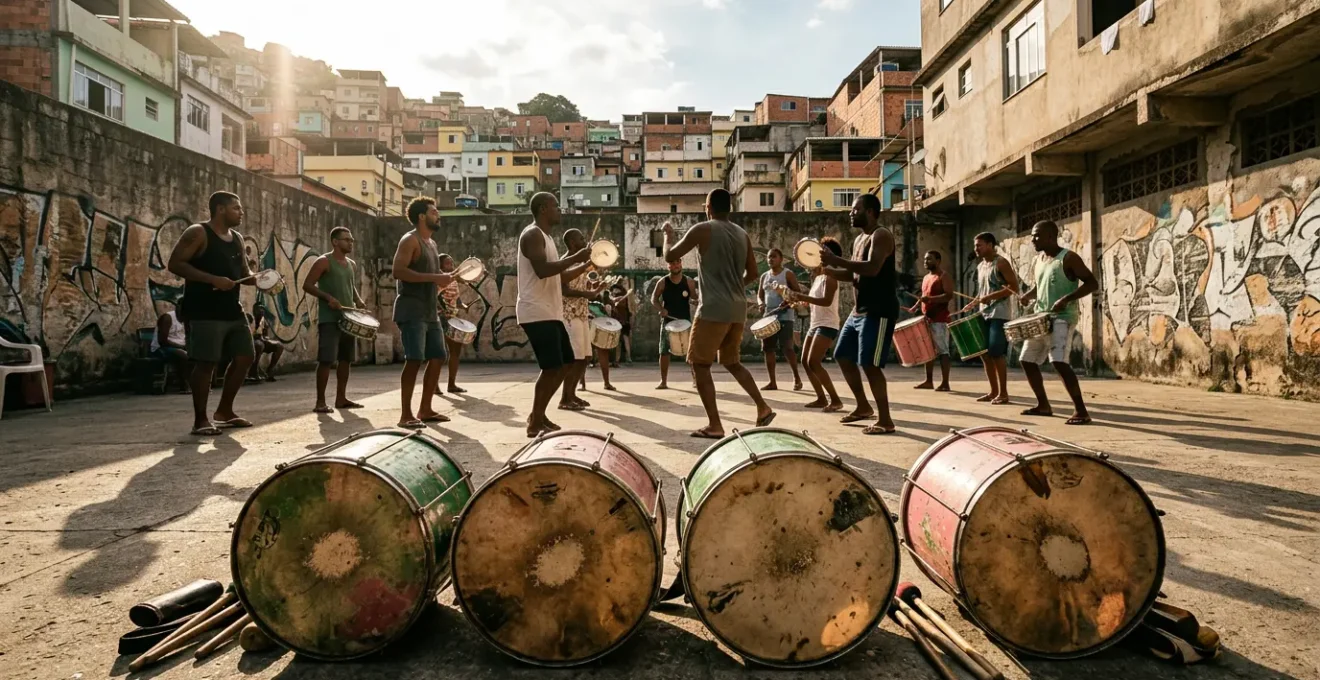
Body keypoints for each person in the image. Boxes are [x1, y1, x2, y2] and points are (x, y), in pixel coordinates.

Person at [663, 188, 775, 439]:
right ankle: (762, 407)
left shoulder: (703, 229)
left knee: (699, 364)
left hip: (713, 307)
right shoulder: (741, 234)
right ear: (730, 208)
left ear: (708, 207)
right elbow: (754, 273)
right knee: (732, 362)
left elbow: (670, 256)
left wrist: (668, 236)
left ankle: (715, 424)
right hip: (737, 308)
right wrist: (734, 287)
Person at [167, 191, 257, 436]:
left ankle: (224, 412)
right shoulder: (198, 233)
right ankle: (200, 420)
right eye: (236, 208)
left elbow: (243, 272)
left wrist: (262, 280)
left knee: (245, 357)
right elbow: (175, 264)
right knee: (206, 364)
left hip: (232, 310)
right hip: (204, 310)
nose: (241, 212)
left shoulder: (236, 237)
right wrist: (212, 279)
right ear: (220, 209)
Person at [819, 193, 898, 435]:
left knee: (869, 364)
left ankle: (885, 420)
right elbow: (855, 275)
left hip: (879, 310)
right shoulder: (859, 240)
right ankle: (863, 407)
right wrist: (828, 270)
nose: (850, 213)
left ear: (871, 211)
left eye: (855, 210)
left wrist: (836, 260)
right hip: (858, 312)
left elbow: (872, 269)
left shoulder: (881, 235)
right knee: (842, 355)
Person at [518, 192, 591, 438]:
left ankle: (538, 415)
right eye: (555, 206)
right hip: (535, 310)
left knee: (566, 363)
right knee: (551, 367)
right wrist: (574, 257)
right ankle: (534, 421)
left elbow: (558, 278)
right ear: (542, 209)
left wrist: (583, 264)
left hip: (550, 311)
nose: (559, 209)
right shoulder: (532, 235)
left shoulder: (547, 238)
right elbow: (541, 271)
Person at [1017, 220, 1098, 425]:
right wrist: (1028, 295)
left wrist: (1067, 299)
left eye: (1037, 235)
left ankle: (1081, 411)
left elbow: (1092, 283)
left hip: (1062, 318)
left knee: (1058, 361)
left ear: (1051, 237)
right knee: (1027, 360)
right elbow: (1040, 285)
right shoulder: (1040, 260)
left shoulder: (1069, 258)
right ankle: (1043, 405)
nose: (1033, 239)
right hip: (1040, 317)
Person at [392, 197, 454, 429]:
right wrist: (435, 278)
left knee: (438, 357)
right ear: (421, 216)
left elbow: (432, 276)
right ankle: (405, 414)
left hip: (430, 312)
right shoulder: (410, 240)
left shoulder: (432, 243)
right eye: (434, 211)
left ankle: (425, 409)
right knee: (414, 359)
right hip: (411, 310)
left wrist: (444, 280)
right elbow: (398, 271)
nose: (438, 215)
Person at [303, 226, 367, 413]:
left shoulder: (351, 264)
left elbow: (350, 286)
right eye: (347, 239)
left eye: (352, 240)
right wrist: (328, 298)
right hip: (329, 319)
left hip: (349, 318)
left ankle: (341, 398)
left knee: (345, 359)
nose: (351, 242)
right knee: (326, 360)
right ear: (335, 242)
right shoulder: (324, 261)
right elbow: (307, 285)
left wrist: (358, 301)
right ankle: (320, 402)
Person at [960, 232, 1019, 404]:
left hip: (999, 314)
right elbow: (982, 292)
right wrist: (973, 302)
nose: (976, 249)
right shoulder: (980, 266)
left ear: (990, 245)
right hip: (983, 313)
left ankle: (1004, 393)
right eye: (975, 245)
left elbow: (1013, 287)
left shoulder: (1001, 263)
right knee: (984, 353)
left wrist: (991, 296)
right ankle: (993, 392)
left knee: (996, 352)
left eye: (979, 245)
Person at [792, 237, 844, 412]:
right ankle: (821, 398)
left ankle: (835, 400)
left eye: (822, 251)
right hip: (816, 323)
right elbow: (815, 302)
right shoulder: (819, 277)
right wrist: (800, 302)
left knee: (814, 361)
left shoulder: (831, 277)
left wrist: (802, 297)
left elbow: (826, 301)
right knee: (805, 361)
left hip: (828, 324)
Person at [559, 228, 605, 409]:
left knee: (585, 358)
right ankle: (565, 398)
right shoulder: (564, 263)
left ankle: (572, 395)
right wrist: (588, 294)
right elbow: (565, 290)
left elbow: (582, 284)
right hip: (568, 314)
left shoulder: (581, 262)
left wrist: (594, 289)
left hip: (581, 313)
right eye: (581, 238)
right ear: (572, 243)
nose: (584, 240)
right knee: (575, 359)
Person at [906, 251, 953, 392]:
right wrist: (915, 307)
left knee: (943, 351)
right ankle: (928, 381)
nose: (926, 262)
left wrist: (931, 300)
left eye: (930, 259)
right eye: (925, 259)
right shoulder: (927, 277)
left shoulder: (944, 276)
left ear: (938, 261)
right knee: (928, 351)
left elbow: (948, 295)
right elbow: (924, 296)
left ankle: (945, 383)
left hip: (940, 320)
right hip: (927, 319)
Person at [756, 248, 803, 391]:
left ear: (781, 259)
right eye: (769, 257)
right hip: (768, 317)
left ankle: (796, 378)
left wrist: (787, 301)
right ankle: (772, 382)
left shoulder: (787, 274)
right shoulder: (764, 276)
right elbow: (760, 295)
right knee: (768, 349)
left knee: (787, 348)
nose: (771, 260)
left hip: (785, 316)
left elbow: (797, 293)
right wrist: (761, 304)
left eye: (774, 257)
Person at [652, 259, 698, 390]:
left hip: (685, 321)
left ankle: (695, 379)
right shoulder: (663, 282)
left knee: (691, 352)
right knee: (664, 351)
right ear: (668, 266)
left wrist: (696, 299)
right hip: (668, 322)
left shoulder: (688, 281)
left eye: (677, 262)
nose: (675, 265)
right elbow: (653, 299)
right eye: (672, 263)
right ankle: (663, 381)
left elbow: (694, 296)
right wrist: (661, 309)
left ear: (681, 263)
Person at [438, 253, 471, 394]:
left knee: (455, 351)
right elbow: (436, 297)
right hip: (440, 319)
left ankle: (451, 384)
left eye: (451, 263)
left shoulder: (454, 281)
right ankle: (434, 386)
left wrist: (462, 305)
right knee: (438, 354)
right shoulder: (438, 280)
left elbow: (457, 300)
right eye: (447, 263)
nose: (450, 266)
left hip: (453, 318)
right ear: (439, 266)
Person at [151, 309, 189, 393]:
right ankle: (184, 386)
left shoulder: (187, 319)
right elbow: (162, 341)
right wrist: (181, 346)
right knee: (184, 356)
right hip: (162, 348)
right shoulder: (168, 318)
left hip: (180, 346)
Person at [248, 302, 284, 382]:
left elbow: (265, 335)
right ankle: (253, 371)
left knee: (279, 346)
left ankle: (270, 370)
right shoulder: (250, 319)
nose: (261, 311)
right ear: (254, 310)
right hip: (251, 341)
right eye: (259, 309)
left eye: (262, 309)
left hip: (261, 340)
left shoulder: (263, 320)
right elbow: (247, 335)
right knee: (259, 345)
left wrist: (266, 339)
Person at [609, 283, 633, 366]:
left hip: (622, 321)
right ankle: (617, 359)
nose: (614, 291)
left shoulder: (623, 298)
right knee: (617, 341)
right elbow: (612, 300)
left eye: (615, 289)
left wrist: (616, 299)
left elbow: (616, 301)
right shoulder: (613, 297)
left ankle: (628, 357)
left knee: (624, 339)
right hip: (616, 321)